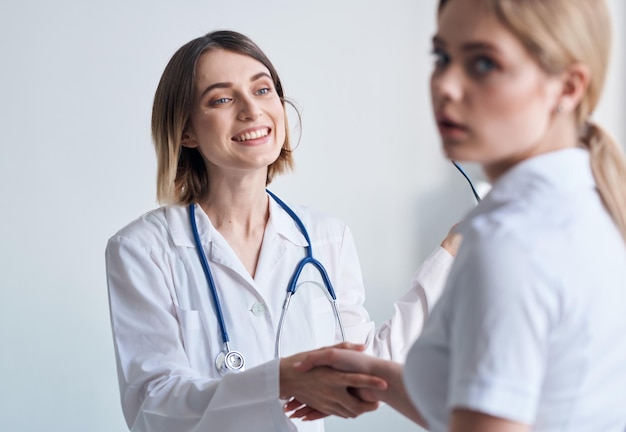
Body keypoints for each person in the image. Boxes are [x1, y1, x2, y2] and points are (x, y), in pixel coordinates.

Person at [290, 0, 626, 431]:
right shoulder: (596, 201)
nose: (445, 85)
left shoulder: (508, 240)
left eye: (483, 63)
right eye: (441, 57)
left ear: (568, 87)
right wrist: (378, 380)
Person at [105, 30, 459, 432]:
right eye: (222, 98)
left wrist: (452, 252)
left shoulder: (327, 237)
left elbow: (368, 365)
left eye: (263, 90)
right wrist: (281, 379)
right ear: (186, 131)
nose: (252, 111)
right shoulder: (142, 250)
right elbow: (155, 406)